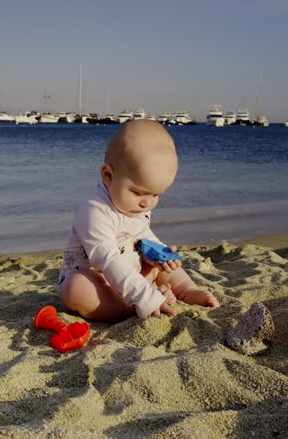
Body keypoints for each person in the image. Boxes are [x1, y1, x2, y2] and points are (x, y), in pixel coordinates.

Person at [58, 120, 220, 320]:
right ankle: (130, 309)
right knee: (77, 289)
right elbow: (106, 259)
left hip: (131, 277)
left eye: (156, 195)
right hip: (97, 280)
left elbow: (140, 233)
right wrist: (145, 297)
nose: (147, 203)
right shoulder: (94, 211)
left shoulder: (136, 204)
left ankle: (187, 292)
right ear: (108, 176)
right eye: (139, 192)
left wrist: (157, 252)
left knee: (162, 266)